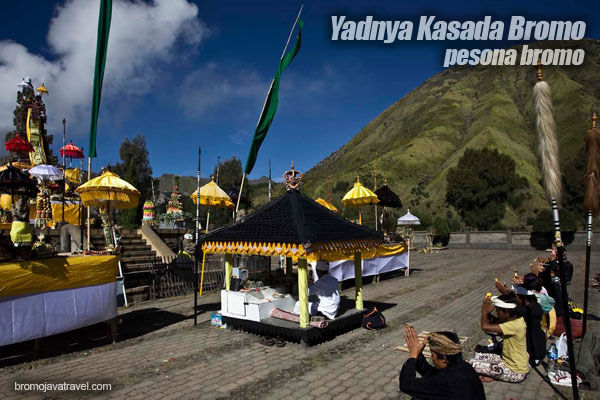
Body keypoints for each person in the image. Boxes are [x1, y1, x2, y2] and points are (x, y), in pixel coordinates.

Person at [399, 326, 486, 399]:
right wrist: (419, 355)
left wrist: (413, 354)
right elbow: (431, 374)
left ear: (444, 358)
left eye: (432, 354)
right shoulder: (464, 367)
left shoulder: (446, 381)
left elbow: (406, 385)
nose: (432, 358)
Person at [470, 295, 529, 383]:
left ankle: (495, 375)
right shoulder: (515, 320)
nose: (497, 313)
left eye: (498, 310)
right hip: (507, 361)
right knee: (477, 355)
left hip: (516, 371)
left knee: (471, 364)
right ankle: (494, 374)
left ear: (506, 312)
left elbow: (485, 326)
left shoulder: (514, 325)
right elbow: (494, 322)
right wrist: (488, 314)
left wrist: (484, 312)